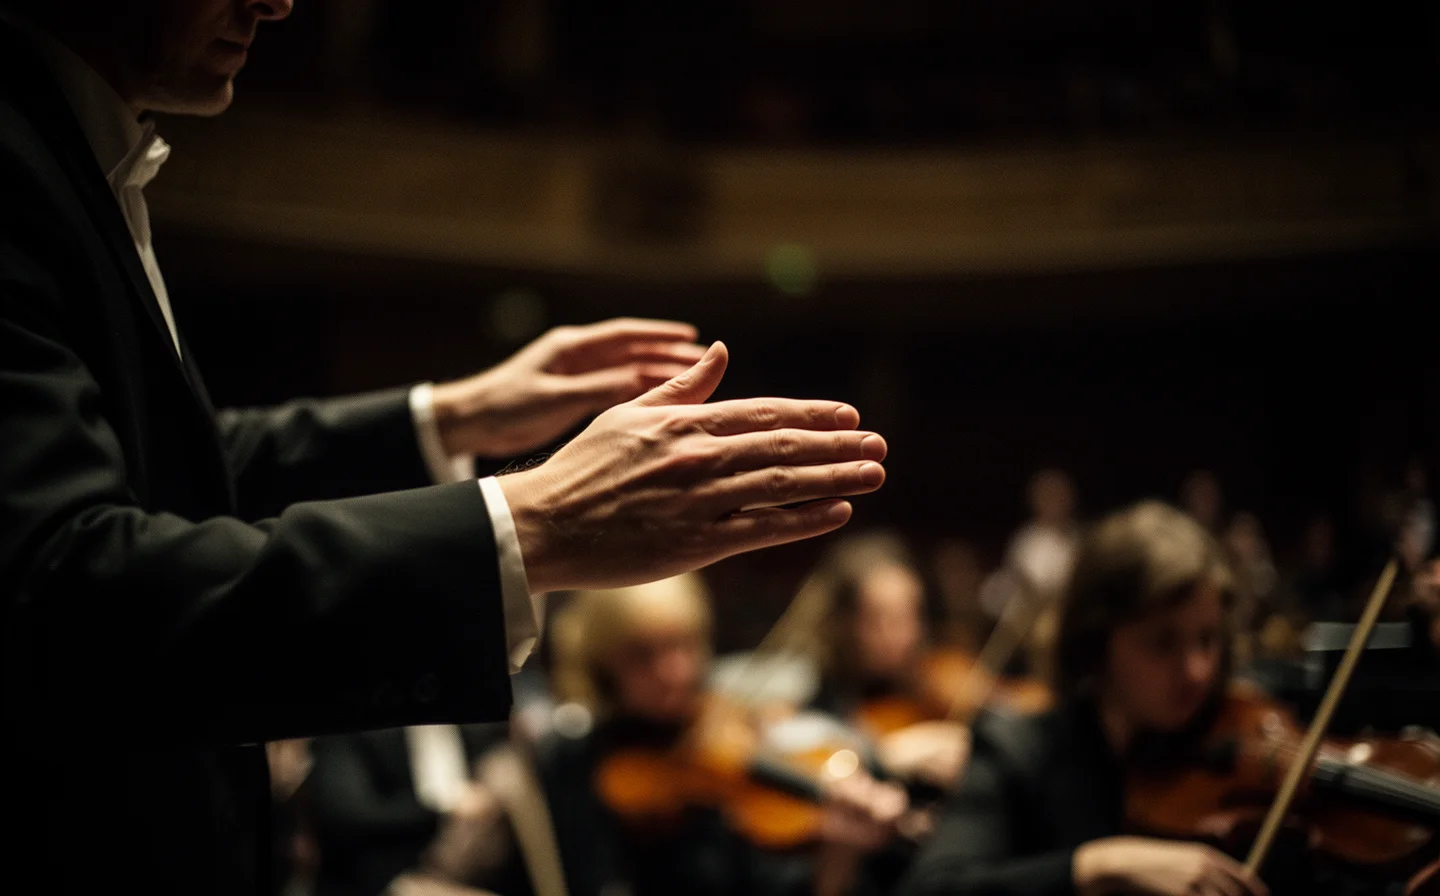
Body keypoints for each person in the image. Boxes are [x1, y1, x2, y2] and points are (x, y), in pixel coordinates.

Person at [0, 1, 888, 891]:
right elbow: (60, 596)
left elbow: (174, 478)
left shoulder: (73, 157)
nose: (277, 2)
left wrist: (451, 419)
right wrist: (528, 524)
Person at [898, 501, 1270, 896]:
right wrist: (1096, 864)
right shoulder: (1019, 753)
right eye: (1163, 642)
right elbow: (931, 888)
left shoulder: (1231, 747)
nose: (1197, 671)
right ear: (1096, 641)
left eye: (1208, 640)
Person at [537, 574, 910, 896]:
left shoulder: (732, 738)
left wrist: (841, 851)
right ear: (604, 663)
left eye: (682, 645)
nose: (673, 672)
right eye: (643, 654)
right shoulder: (577, 762)